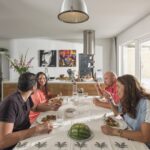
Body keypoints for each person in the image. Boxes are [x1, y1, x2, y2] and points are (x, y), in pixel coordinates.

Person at [0, 72, 53, 150]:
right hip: (15, 145)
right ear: (33, 88)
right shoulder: (11, 103)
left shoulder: (26, 96)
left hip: (26, 136)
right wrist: (36, 130)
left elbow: (35, 108)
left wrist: (52, 107)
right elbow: (3, 141)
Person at [101, 74, 150, 148]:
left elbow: (145, 137)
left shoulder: (146, 103)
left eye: (118, 86)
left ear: (128, 88)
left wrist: (113, 131)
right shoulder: (126, 99)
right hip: (130, 136)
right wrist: (109, 100)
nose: (116, 90)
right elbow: (117, 113)